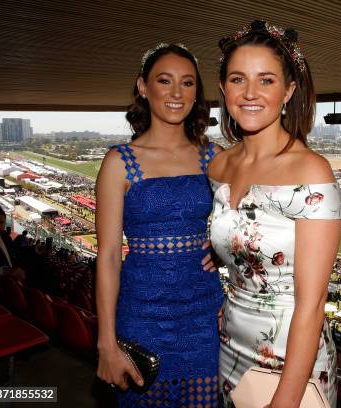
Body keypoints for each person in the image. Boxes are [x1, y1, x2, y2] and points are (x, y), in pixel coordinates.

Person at [209, 20, 341, 407]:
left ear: (289, 90)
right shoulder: (218, 167)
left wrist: (284, 401)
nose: (250, 93)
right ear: (223, 89)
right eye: (238, 79)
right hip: (230, 343)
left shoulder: (312, 172)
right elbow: (236, 240)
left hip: (292, 360)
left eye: (266, 80)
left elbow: (312, 303)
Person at [95, 43, 222, 407]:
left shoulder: (213, 157)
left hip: (204, 317)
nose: (176, 93)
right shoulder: (119, 162)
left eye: (187, 83)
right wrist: (106, 341)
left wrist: (225, 250)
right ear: (142, 86)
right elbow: (107, 257)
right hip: (141, 318)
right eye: (164, 81)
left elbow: (257, 218)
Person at [0, 206, 25, 292]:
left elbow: (14, 253)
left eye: (1, 222)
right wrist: (3, 271)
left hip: (14, 284)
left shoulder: (5, 236)